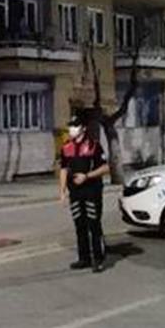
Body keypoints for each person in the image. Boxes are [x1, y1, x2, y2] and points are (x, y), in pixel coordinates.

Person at [58, 116, 110, 273]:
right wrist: (62, 191)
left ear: (83, 128)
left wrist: (87, 176)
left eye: (75, 126)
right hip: (75, 192)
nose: (71, 129)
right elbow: (63, 169)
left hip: (92, 191)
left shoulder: (94, 145)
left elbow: (105, 168)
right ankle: (84, 258)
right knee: (79, 225)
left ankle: (98, 259)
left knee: (93, 225)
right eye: (70, 126)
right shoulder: (66, 147)